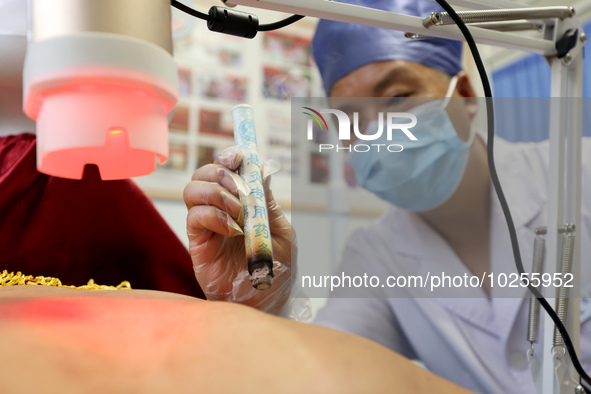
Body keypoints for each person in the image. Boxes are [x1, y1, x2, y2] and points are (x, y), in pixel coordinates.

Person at [185, 0, 591, 393]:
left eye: (397, 98)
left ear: (465, 94)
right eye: (352, 118)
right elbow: (318, 370)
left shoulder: (581, 173)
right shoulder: (375, 258)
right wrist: (262, 307)